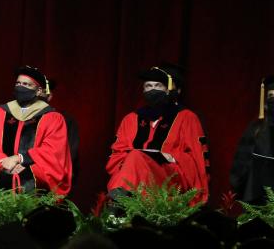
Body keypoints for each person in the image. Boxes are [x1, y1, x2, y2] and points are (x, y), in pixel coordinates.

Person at [106, 63, 210, 204]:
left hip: (169, 177)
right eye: (148, 86)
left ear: (168, 89)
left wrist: (172, 157)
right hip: (135, 175)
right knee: (135, 157)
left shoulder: (186, 118)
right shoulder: (131, 119)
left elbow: (197, 158)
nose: (152, 90)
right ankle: (125, 199)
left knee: (135, 156)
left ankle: (118, 202)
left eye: (158, 86)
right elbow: (117, 155)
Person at [0, 66, 72, 195]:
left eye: (26, 84)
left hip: (33, 166)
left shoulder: (52, 118)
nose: (20, 87)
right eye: (18, 83)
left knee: (33, 180)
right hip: (0, 165)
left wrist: (20, 159)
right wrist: (6, 162)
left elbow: (53, 151)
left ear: (39, 91)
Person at [230, 75, 274, 204]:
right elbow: (242, 161)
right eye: (271, 97)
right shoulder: (256, 128)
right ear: (265, 102)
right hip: (255, 195)